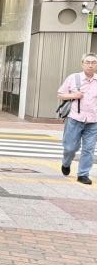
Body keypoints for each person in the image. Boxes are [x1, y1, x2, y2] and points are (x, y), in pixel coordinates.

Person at [57, 52, 97, 185]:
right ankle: (66, 163)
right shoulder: (73, 78)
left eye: (93, 62)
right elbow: (60, 94)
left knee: (89, 149)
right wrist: (75, 95)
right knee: (70, 148)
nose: (90, 65)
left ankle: (83, 174)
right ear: (82, 64)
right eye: (88, 62)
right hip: (74, 118)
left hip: (93, 121)